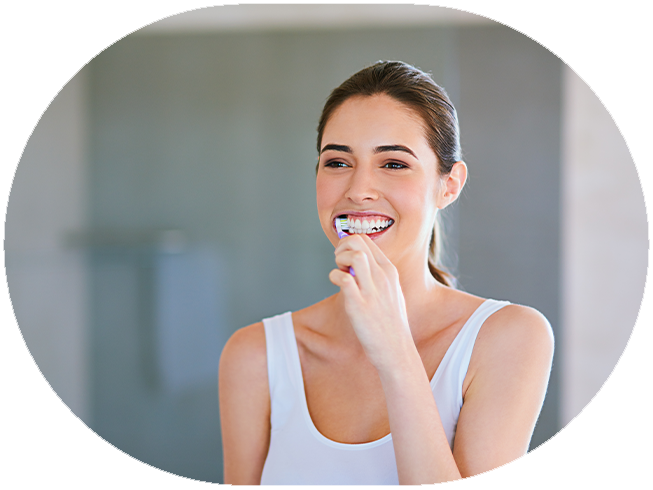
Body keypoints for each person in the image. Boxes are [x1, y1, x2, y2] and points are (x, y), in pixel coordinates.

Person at [218, 61, 554, 486]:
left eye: (393, 164)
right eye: (337, 162)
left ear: (448, 186)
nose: (358, 191)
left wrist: (395, 354)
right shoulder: (254, 356)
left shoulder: (508, 338)